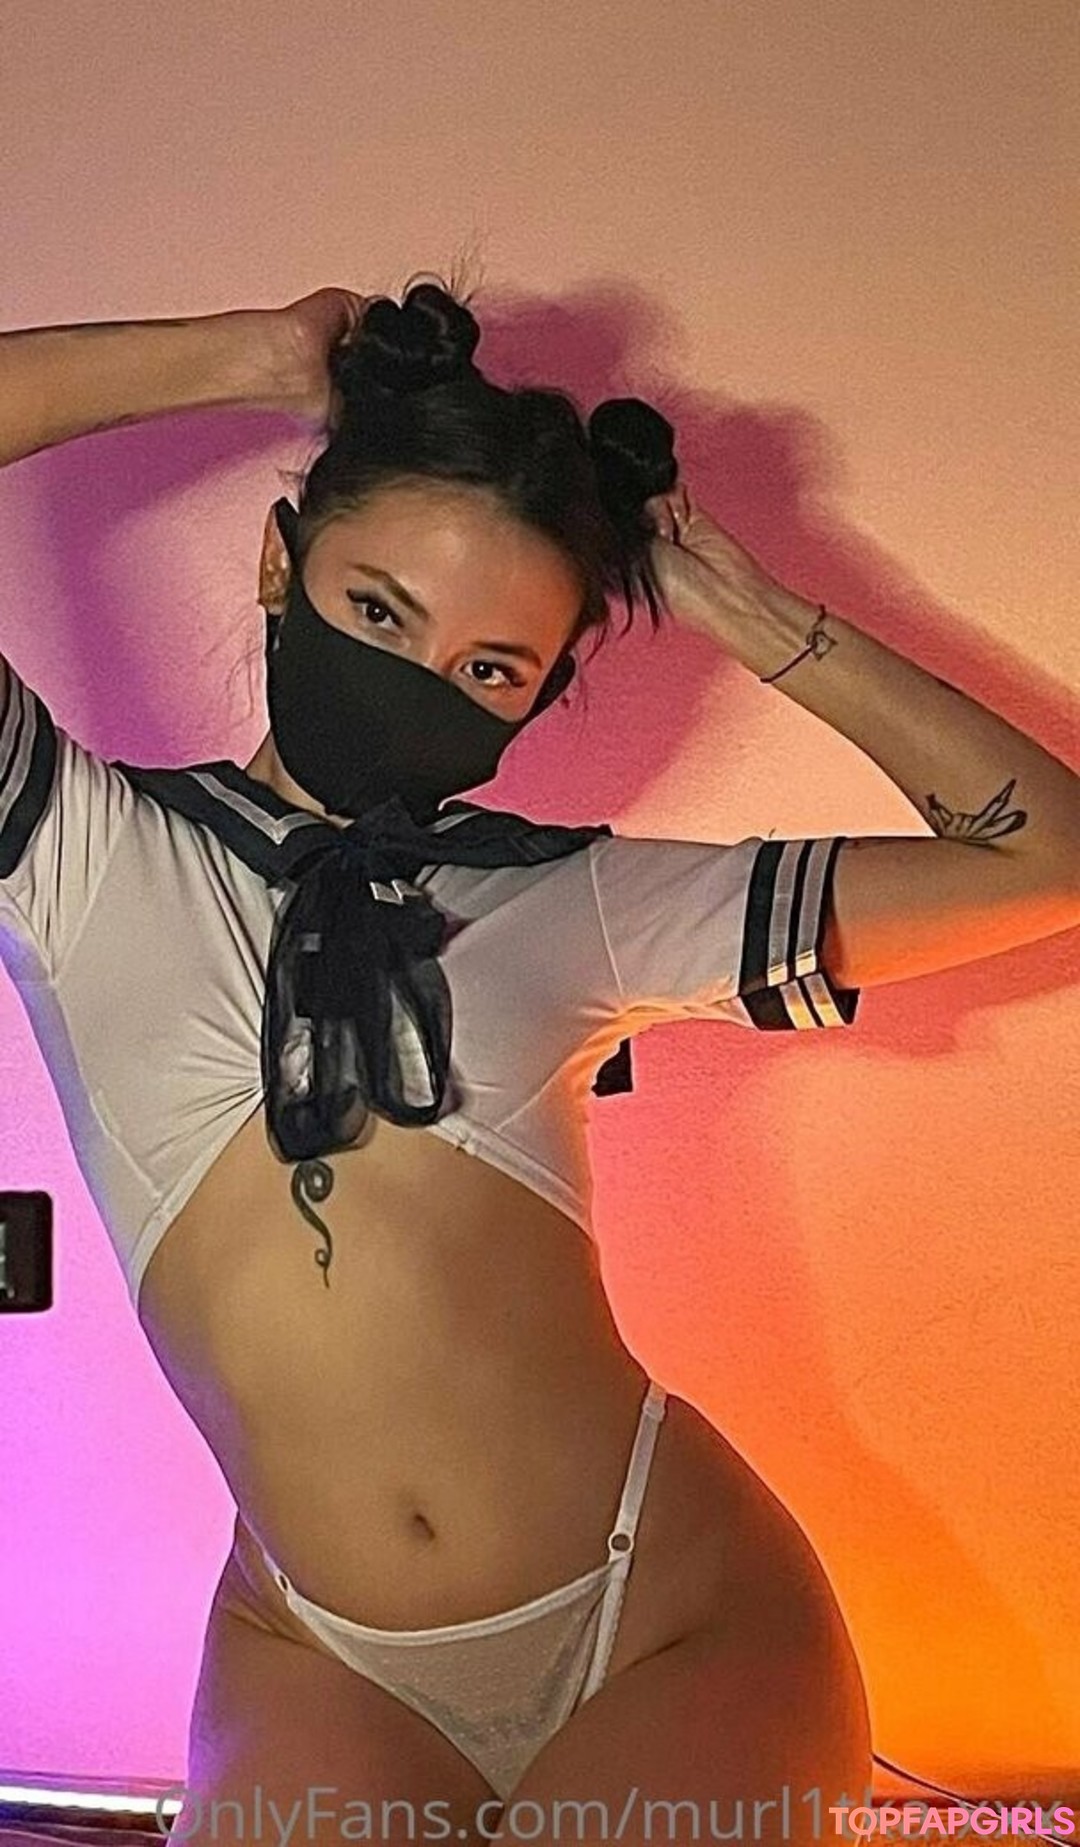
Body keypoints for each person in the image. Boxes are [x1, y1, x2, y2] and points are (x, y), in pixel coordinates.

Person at [1, 275, 1076, 1847]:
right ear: (280, 562)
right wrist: (245, 356)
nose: (422, 682)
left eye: (492, 669)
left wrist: (749, 614)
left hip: (673, 1614)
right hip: (321, 1650)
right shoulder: (81, 854)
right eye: (381, 612)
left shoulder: (566, 894)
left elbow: (1042, 854)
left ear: (539, 701)